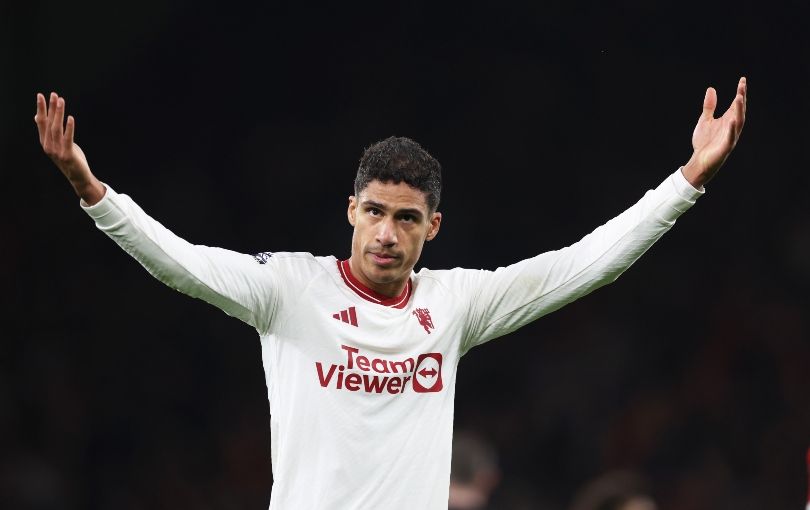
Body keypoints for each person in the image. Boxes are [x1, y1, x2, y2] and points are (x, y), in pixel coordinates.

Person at [33, 77, 747, 509]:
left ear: (431, 227)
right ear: (351, 211)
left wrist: (688, 180)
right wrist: (89, 189)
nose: (386, 232)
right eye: (373, 212)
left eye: (406, 218)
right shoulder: (288, 289)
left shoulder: (454, 307)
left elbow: (582, 265)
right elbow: (177, 263)